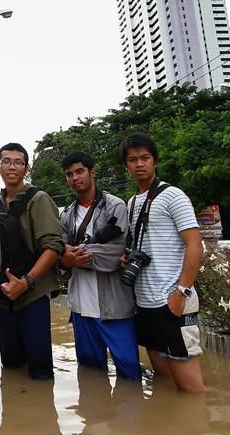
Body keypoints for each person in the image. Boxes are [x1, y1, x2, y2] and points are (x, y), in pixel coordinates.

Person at [121, 132, 205, 392]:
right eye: (133, 159)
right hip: (145, 303)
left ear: (155, 161)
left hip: (173, 299)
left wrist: (181, 292)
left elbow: (195, 244)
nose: (139, 164)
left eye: (145, 158)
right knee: (165, 383)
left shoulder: (173, 196)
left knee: (191, 389)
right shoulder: (133, 202)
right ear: (126, 166)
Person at [0, 142, 63, 380]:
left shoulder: (39, 199)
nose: (12, 167)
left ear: (26, 168)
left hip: (32, 294)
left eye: (18, 162)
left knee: (40, 372)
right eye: (6, 161)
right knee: (11, 368)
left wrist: (26, 282)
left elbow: (53, 247)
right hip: (4, 297)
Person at [58, 151, 141, 380]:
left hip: (115, 306)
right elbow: (60, 257)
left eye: (80, 171)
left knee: (129, 372)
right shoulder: (66, 215)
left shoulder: (115, 206)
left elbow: (115, 252)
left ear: (92, 172)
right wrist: (65, 259)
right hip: (81, 308)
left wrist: (73, 256)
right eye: (69, 174)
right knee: (90, 377)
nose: (75, 177)